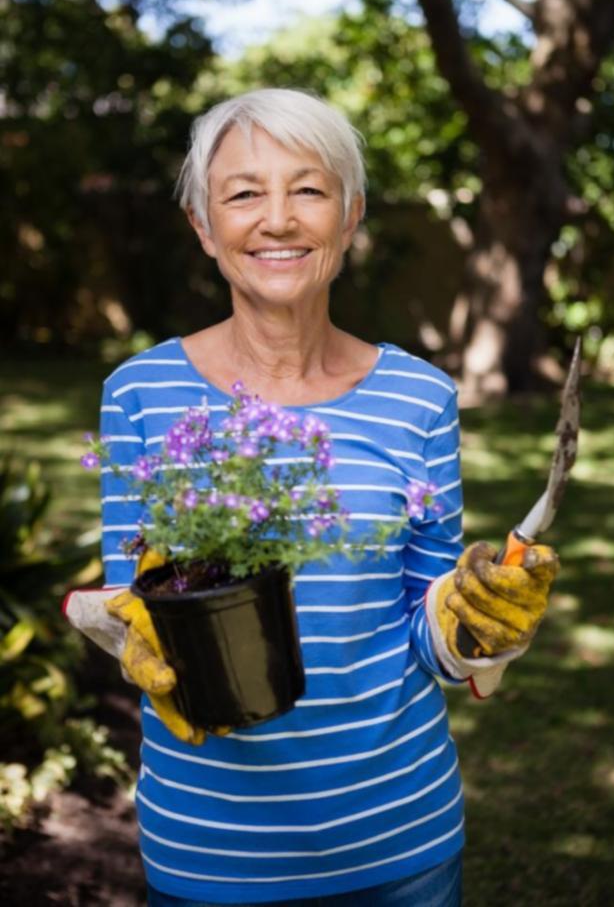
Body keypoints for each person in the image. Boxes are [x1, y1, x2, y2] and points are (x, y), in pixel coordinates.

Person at [66, 89, 559, 906]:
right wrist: (136, 632)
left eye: (308, 189)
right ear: (202, 225)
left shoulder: (420, 397)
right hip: (209, 848)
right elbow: (131, 603)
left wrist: (477, 624)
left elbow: (428, 628)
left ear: (350, 214)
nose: (278, 219)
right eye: (243, 193)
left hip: (399, 841)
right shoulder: (139, 394)